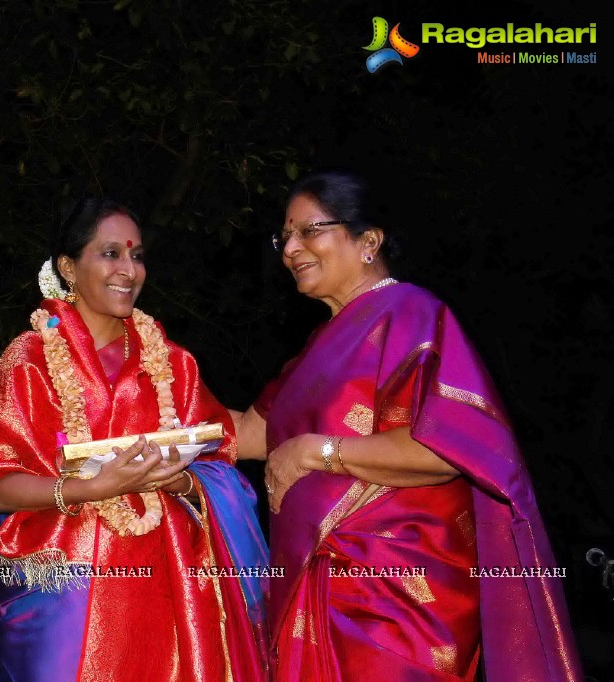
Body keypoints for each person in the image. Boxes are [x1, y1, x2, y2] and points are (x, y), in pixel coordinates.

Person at [234, 168, 582, 681]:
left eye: (309, 230)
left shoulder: (412, 315)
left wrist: (315, 451)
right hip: (313, 588)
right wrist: (149, 370)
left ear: (368, 240)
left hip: (396, 602)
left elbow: (446, 449)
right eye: (284, 235)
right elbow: (246, 433)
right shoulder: (316, 349)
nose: (290, 248)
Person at [0, 196, 268, 681]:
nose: (129, 269)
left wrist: (183, 484)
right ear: (68, 267)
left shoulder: (171, 362)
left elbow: (220, 453)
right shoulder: (29, 362)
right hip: (66, 595)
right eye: (110, 254)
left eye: (138, 255)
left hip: (171, 592)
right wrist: (88, 488)